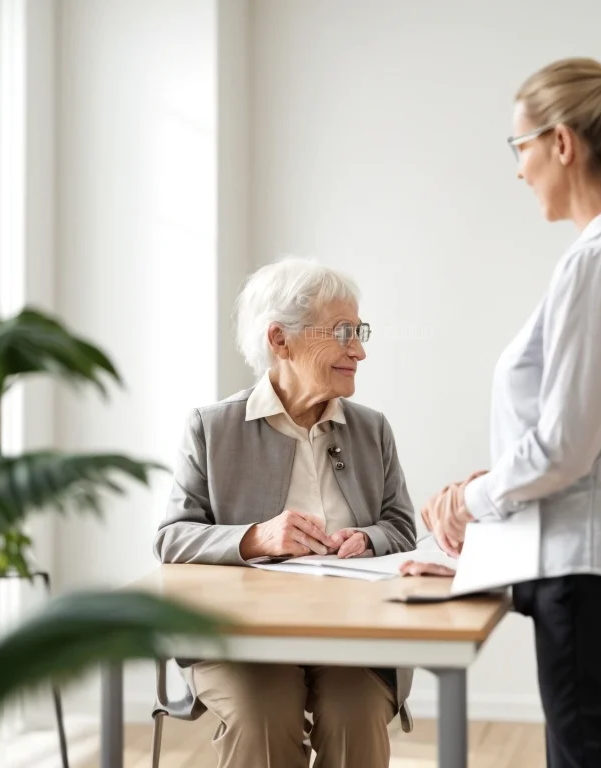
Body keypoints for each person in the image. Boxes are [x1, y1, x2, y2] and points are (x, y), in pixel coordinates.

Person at [402, 57, 601, 768]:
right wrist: (485, 527)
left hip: (594, 585)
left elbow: (566, 448)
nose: (519, 169)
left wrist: (468, 501)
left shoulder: (600, 263)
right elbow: (583, 449)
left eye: (521, 148)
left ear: (562, 143)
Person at [154, 257, 416, 768]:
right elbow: (172, 538)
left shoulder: (372, 429)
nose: (359, 350)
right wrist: (255, 538)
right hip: (241, 637)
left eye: (360, 332)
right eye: (344, 332)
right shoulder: (212, 428)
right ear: (280, 340)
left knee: (355, 715)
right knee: (262, 717)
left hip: (351, 633)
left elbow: (401, 527)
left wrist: (369, 539)